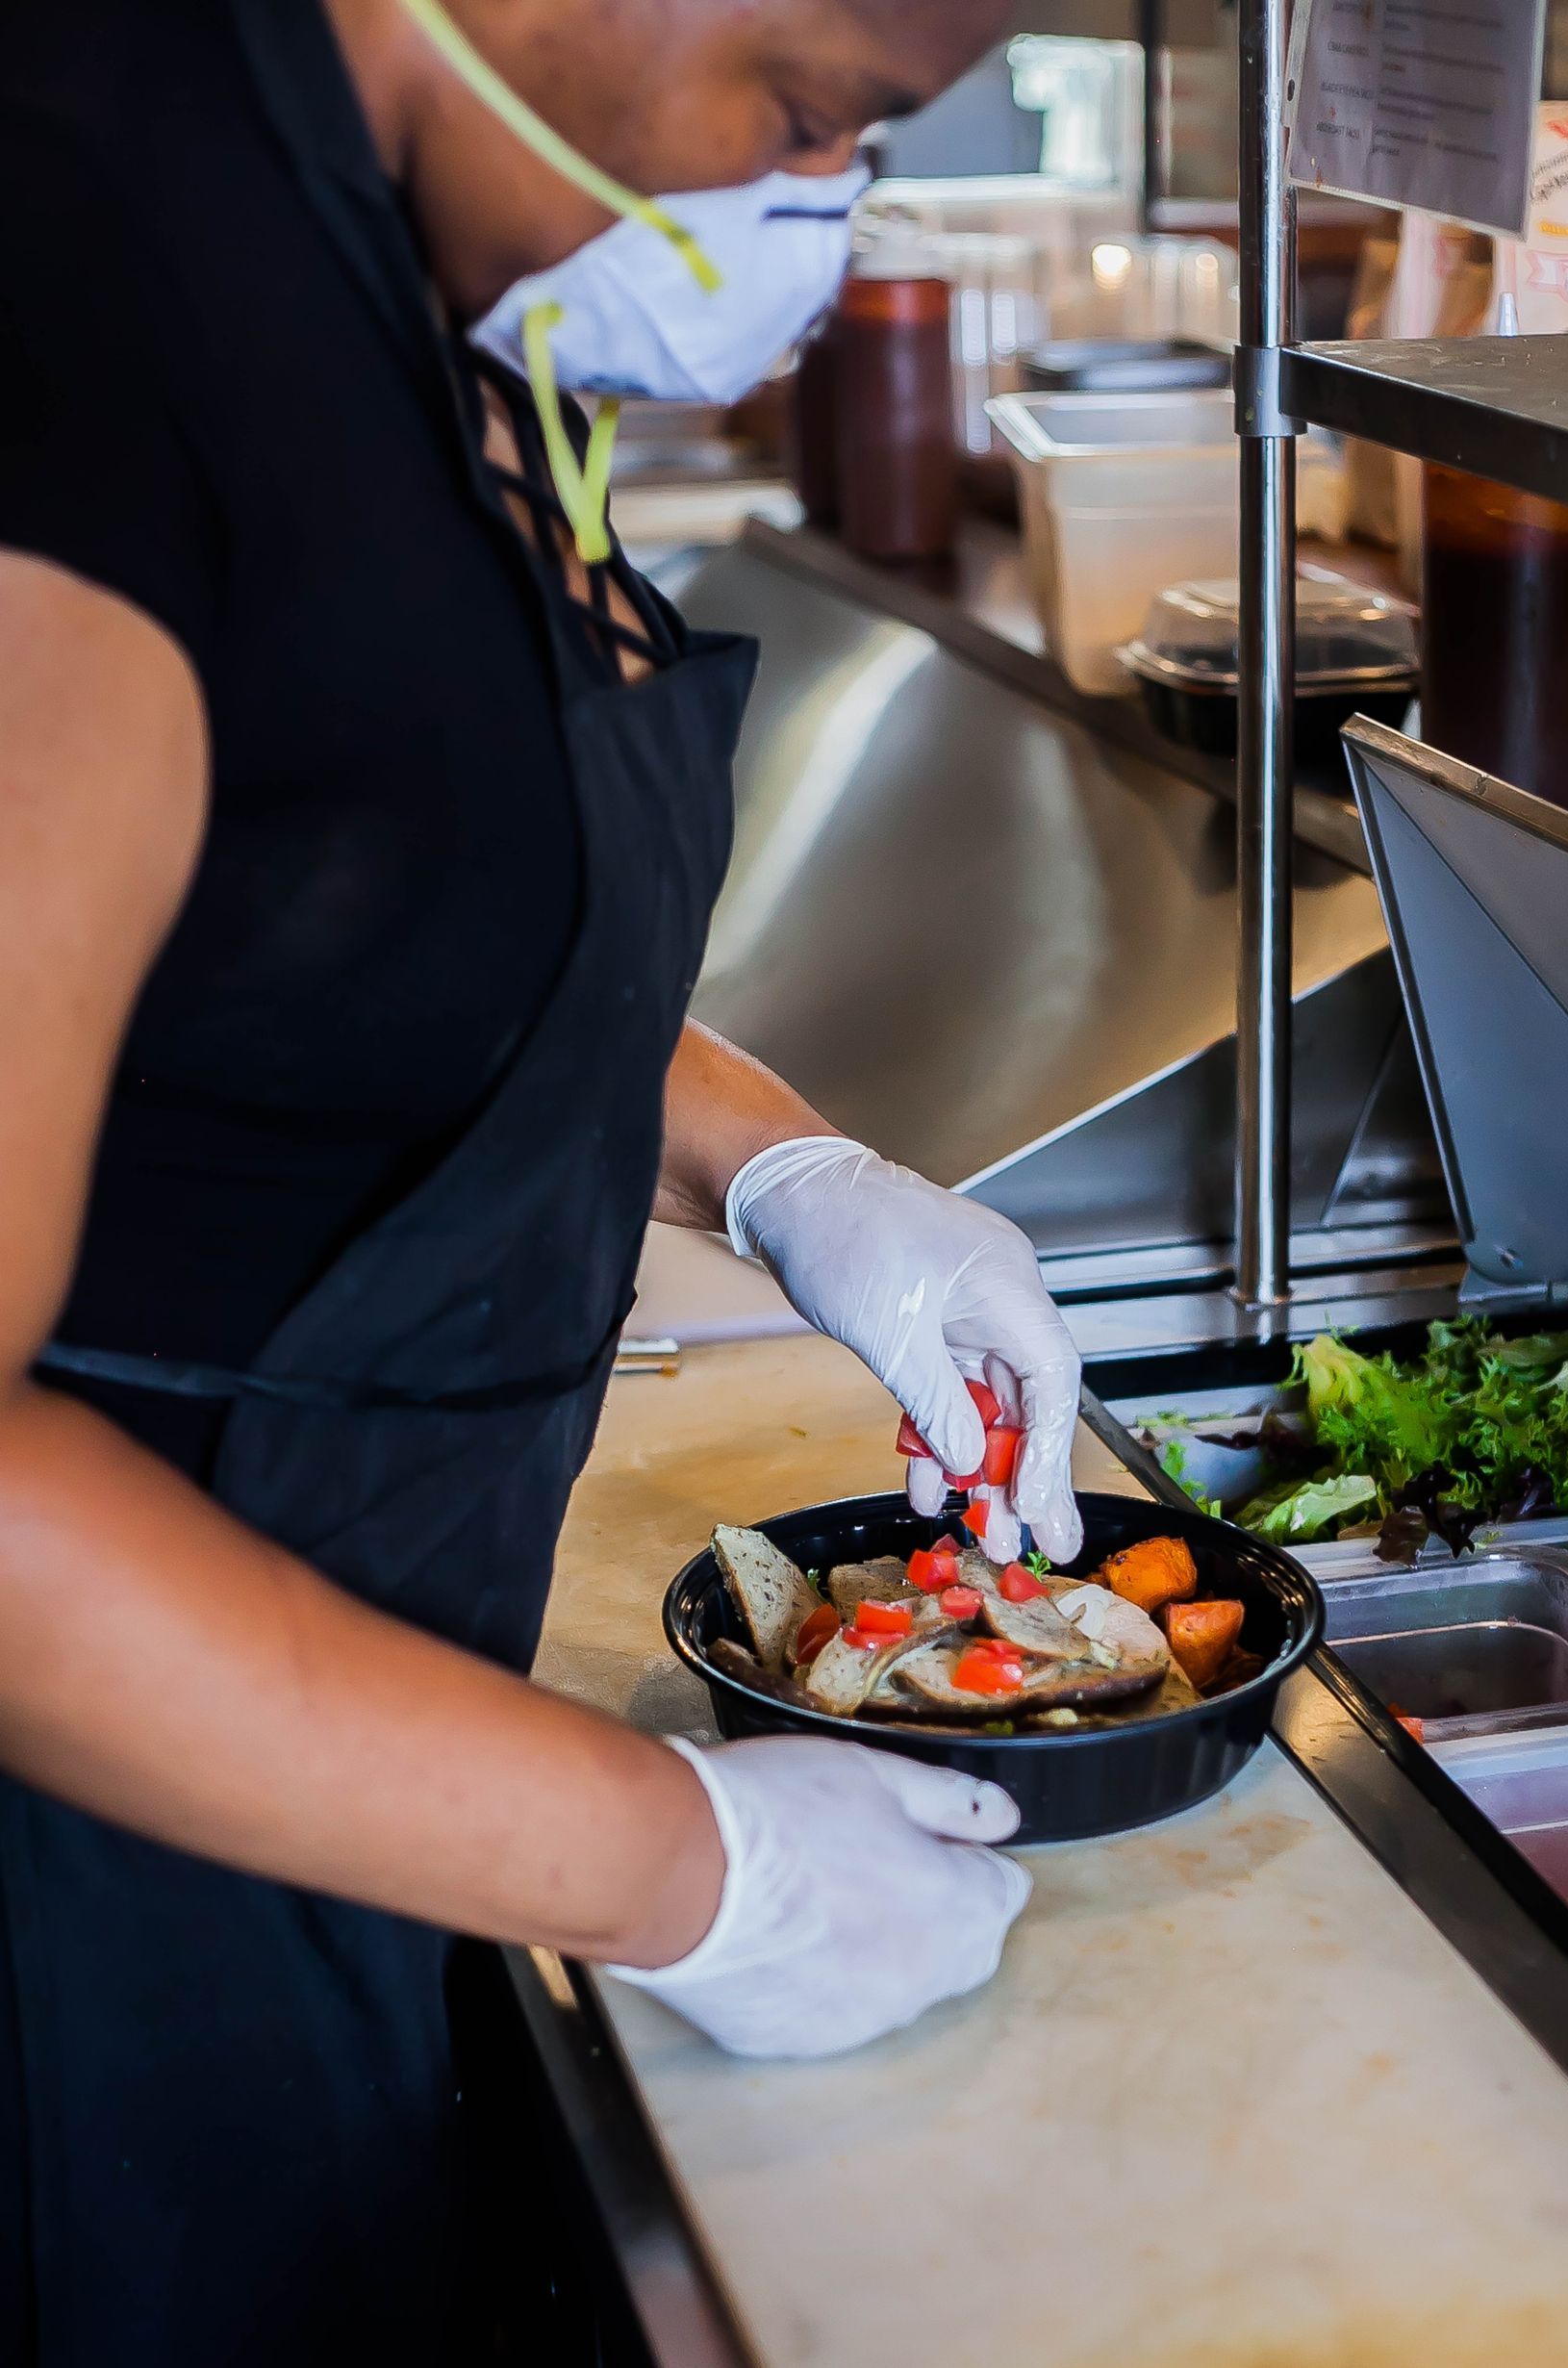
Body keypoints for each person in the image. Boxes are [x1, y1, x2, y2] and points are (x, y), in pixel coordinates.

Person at [0, 0, 1082, 2358]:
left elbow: (359, 921)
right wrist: (685, 1867)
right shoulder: (92, 299)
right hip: (85, 1899)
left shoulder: (414, 274)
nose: (811, 206)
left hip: (340, 1786)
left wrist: (794, 1169)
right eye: (809, 111)